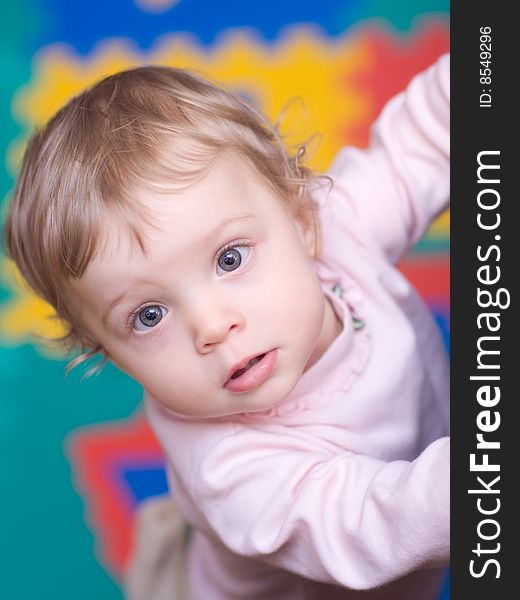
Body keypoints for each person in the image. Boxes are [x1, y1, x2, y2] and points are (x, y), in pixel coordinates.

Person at [4, 52, 450, 599]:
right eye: (149, 316)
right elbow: (365, 523)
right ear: (112, 356)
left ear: (301, 220)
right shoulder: (229, 468)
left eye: (230, 259)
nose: (212, 326)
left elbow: (419, 147)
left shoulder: (338, 232)